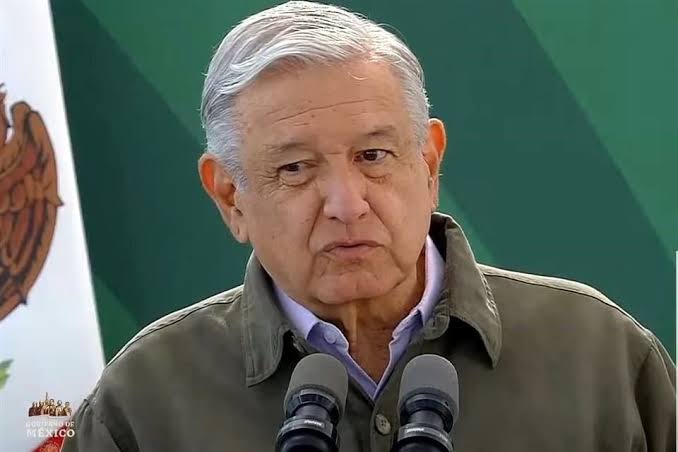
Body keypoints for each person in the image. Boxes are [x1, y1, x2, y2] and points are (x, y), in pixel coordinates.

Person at [63, 2, 675, 451]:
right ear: (230, 195)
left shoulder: (600, 359)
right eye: (295, 168)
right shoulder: (146, 402)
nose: (347, 204)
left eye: (373, 156)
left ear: (428, 163)